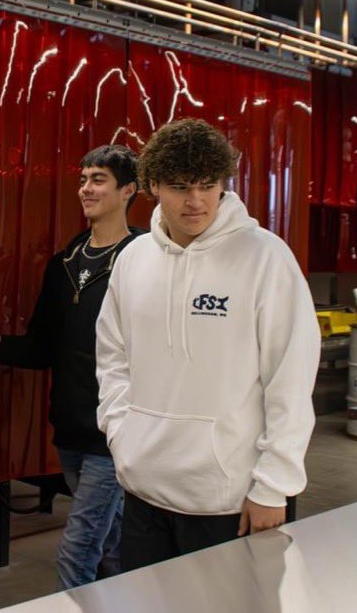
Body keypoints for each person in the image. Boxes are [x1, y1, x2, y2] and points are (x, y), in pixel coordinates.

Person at [94, 118, 318, 571]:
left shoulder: (265, 257)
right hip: (143, 489)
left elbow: (290, 378)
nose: (195, 201)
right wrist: (122, 434)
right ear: (153, 185)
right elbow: (112, 357)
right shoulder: (134, 259)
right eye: (179, 187)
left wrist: (275, 485)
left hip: (231, 499)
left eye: (207, 186)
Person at [0, 144, 145, 590]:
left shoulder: (145, 260)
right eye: (83, 179)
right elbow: (45, 347)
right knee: (110, 544)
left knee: (77, 549)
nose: (86, 188)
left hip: (114, 433)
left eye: (98, 179)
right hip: (70, 430)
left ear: (128, 191)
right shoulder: (64, 264)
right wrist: (0, 347)